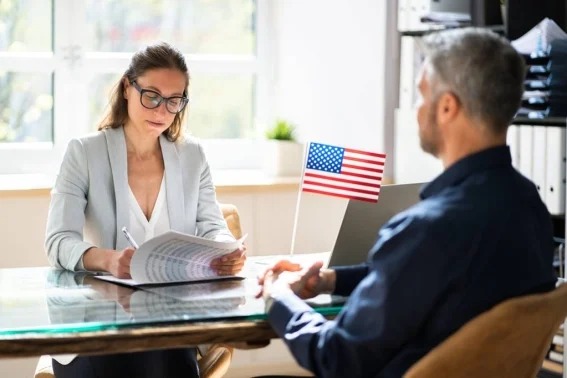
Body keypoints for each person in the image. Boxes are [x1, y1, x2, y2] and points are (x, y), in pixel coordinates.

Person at [257, 27, 557, 377]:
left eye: (421, 96)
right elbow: (428, 277)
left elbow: (335, 358)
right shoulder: (530, 206)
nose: (416, 111)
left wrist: (279, 298)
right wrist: (331, 280)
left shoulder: (427, 229)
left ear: (446, 107)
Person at [45, 41, 246, 378]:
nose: (161, 111)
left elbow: (212, 225)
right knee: (140, 358)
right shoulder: (84, 153)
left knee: (160, 352)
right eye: (151, 95)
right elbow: (58, 241)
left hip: (171, 323)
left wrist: (226, 249)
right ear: (127, 87)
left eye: (174, 101)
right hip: (98, 326)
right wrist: (109, 259)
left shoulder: (192, 156)